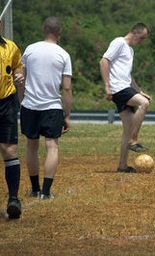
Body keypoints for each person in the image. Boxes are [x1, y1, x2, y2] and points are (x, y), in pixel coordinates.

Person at [20, 17, 72, 199]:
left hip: (30, 105)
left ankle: (34, 189)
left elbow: (21, 79)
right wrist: (67, 114)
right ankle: (46, 192)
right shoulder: (63, 54)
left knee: (31, 146)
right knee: (52, 147)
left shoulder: (29, 50)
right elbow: (66, 88)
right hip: (52, 107)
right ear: (60, 33)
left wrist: (22, 101)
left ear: (44, 30)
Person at [100, 23, 151, 173]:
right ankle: (133, 140)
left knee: (127, 128)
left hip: (126, 87)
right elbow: (104, 61)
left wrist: (139, 91)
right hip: (118, 88)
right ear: (134, 32)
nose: (142, 42)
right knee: (144, 104)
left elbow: (128, 76)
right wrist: (107, 86)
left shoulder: (130, 50)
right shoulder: (119, 42)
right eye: (141, 38)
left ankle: (122, 166)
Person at [0, 33, 24, 219]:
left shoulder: (10, 46)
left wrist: (19, 77)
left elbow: (18, 66)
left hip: (6, 103)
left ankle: (14, 199)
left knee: (10, 150)